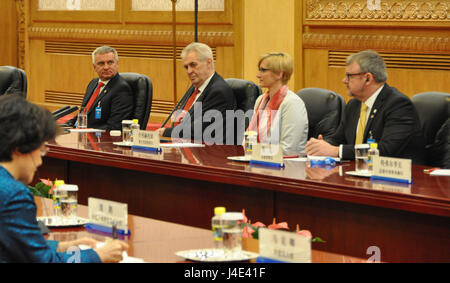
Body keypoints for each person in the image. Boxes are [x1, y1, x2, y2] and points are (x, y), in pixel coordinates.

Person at [0, 94, 128, 263]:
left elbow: (13, 245)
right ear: (19, 146)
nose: (40, 161)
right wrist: (98, 256)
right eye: (41, 149)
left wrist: (62, 246)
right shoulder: (14, 195)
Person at [305, 50, 425, 164]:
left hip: (397, 179)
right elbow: (338, 140)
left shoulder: (398, 105)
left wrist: (336, 151)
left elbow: (385, 150)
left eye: (349, 76)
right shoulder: (354, 105)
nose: (344, 80)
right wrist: (322, 145)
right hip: (359, 173)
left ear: (367, 78)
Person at [158, 42, 236, 144]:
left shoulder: (218, 92)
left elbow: (199, 130)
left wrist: (165, 131)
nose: (189, 71)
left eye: (193, 65)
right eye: (186, 67)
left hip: (209, 153)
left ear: (209, 62)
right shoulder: (195, 88)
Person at [246, 52, 308, 156]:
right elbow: (250, 139)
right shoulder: (261, 100)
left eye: (263, 70)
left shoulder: (292, 103)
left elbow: (288, 150)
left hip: (287, 167)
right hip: (260, 161)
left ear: (279, 74)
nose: (258, 75)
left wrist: (255, 152)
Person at [67, 46, 133, 130]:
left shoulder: (121, 89)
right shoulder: (93, 83)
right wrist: (68, 125)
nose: (106, 67)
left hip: (96, 138)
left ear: (117, 64)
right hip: (79, 133)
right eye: (101, 63)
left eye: (110, 62)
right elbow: (84, 112)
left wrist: (86, 131)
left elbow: (114, 126)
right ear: (94, 67)